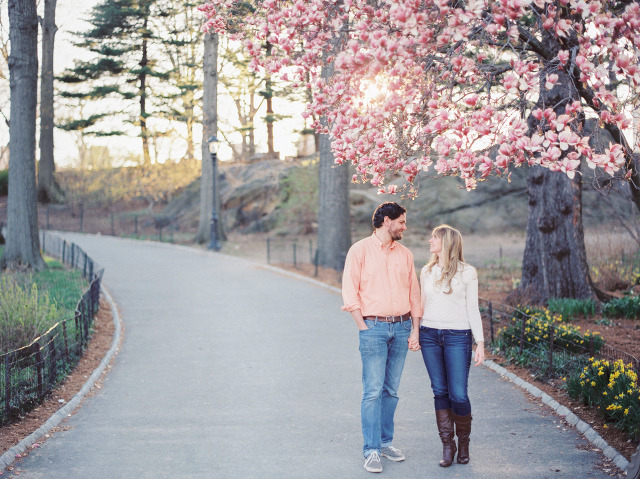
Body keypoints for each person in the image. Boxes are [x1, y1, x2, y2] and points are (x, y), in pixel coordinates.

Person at [342, 202, 422, 473]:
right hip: (373, 328)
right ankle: (372, 450)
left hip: (401, 328)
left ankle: (386, 443)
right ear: (387, 221)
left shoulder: (406, 254)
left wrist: (415, 329)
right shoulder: (360, 250)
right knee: (373, 391)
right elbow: (349, 291)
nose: (404, 227)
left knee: (391, 391)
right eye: (401, 222)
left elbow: (414, 294)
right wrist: (362, 327)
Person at [413, 224, 484, 468]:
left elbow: (472, 309)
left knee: (458, 393)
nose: (430, 241)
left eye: (434, 238)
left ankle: (463, 443)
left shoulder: (467, 273)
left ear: (447, 242)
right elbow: (420, 305)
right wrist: (415, 332)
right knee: (440, 391)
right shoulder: (426, 271)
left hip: (458, 336)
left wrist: (480, 343)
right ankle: (447, 445)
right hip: (429, 335)